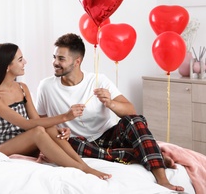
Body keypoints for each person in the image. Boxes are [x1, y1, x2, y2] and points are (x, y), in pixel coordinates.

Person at [35, 33, 184, 192]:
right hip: (77, 141)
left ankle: (162, 179)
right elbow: (43, 123)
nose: (55, 62)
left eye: (61, 59)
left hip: (108, 136)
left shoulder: (98, 80)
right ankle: (143, 154)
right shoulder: (46, 86)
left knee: (135, 121)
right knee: (69, 145)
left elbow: (131, 111)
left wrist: (110, 103)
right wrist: (60, 129)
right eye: (54, 57)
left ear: (77, 61)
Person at [0, 42, 111, 180]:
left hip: (22, 141)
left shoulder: (22, 88)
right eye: (20, 60)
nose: (25, 62)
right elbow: (26, 124)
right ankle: (82, 169)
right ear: (7, 66)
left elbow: (37, 121)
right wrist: (66, 117)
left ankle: (82, 164)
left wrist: (59, 128)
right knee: (38, 132)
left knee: (49, 128)